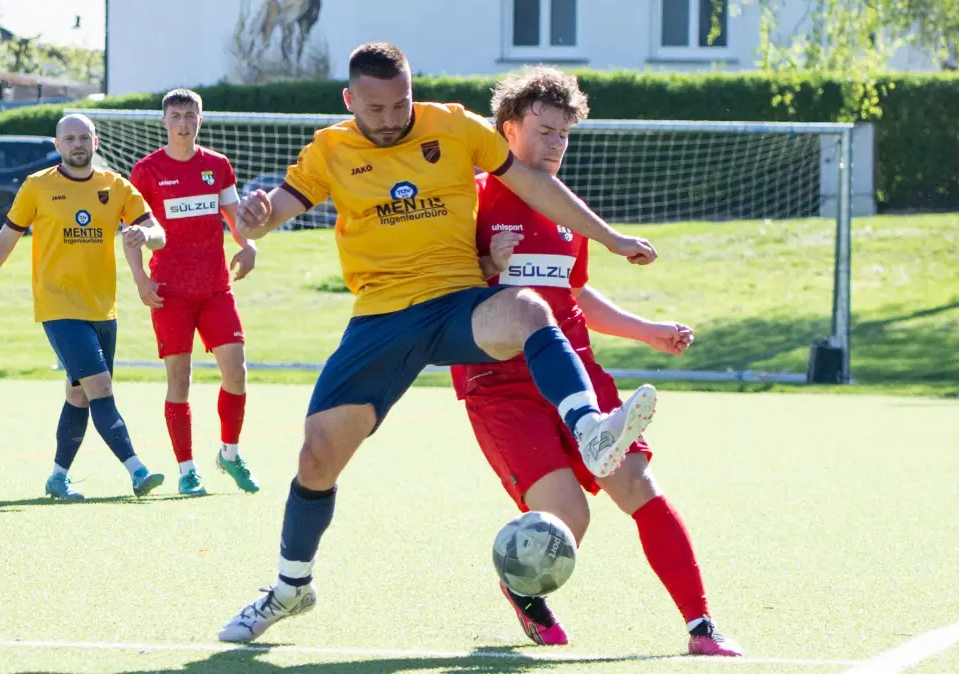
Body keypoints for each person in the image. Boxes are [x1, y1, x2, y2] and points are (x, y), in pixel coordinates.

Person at [217, 42, 662, 643]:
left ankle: (590, 429)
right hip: (380, 319)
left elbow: (532, 183)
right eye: (374, 108)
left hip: (457, 305)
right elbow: (276, 211)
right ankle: (291, 588)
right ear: (350, 100)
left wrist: (608, 239)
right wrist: (255, 215)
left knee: (529, 308)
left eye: (401, 102)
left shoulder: (454, 126)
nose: (390, 117)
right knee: (317, 458)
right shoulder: (330, 149)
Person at [450, 66, 743, 656]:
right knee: (568, 520)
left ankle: (701, 627)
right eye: (544, 130)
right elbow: (439, 295)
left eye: (564, 134)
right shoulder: (471, 199)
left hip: (579, 376)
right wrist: (484, 262)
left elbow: (576, 295)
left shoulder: (568, 210)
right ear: (507, 129)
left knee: (640, 485)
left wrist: (648, 332)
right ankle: (523, 589)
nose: (555, 144)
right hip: (502, 386)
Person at [0, 113, 168, 500]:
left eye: (84, 137)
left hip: (102, 308)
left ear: (96, 142)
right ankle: (137, 470)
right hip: (58, 306)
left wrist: (146, 232)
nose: (77, 144)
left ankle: (57, 477)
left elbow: (158, 234)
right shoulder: (37, 187)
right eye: (69, 138)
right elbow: (6, 238)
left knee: (79, 395)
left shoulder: (117, 186)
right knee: (101, 387)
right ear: (57, 145)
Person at [127, 88, 260, 497]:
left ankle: (230, 454)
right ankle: (187, 469)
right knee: (179, 381)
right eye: (176, 115)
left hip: (216, 288)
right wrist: (141, 280)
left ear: (200, 120)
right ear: (164, 121)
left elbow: (234, 215)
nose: (183, 123)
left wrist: (249, 245)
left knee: (236, 373)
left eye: (191, 115)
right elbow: (133, 234)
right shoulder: (146, 171)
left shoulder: (217, 166)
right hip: (170, 292)